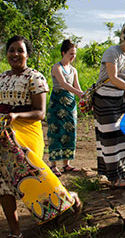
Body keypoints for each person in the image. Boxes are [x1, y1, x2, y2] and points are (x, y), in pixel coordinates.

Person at [0, 35, 80, 238]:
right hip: (2, 137)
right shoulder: (2, 78)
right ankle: (16, 232)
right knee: (4, 185)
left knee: (33, 180)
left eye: (20, 50)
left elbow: (40, 112)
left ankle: (69, 198)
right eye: (11, 50)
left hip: (26, 134)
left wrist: (16, 115)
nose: (15, 54)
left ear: (27, 54)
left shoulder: (35, 77)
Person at [93, 17, 125, 189]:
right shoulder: (112, 52)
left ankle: (122, 171)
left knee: (124, 135)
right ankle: (113, 177)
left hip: (121, 100)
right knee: (109, 137)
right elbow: (113, 78)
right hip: (104, 99)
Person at [47, 39, 83, 177]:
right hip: (57, 103)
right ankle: (53, 165)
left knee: (70, 131)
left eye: (74, 54)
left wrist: (83, 97)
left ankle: (66, 164)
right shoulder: (57, 67)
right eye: (70, 54)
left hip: (70, 104)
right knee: (56, 131)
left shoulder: (73, 70)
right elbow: (63, 84)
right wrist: (78, 93)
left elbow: (76, 86)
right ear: (63, 53)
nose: (73, 57)